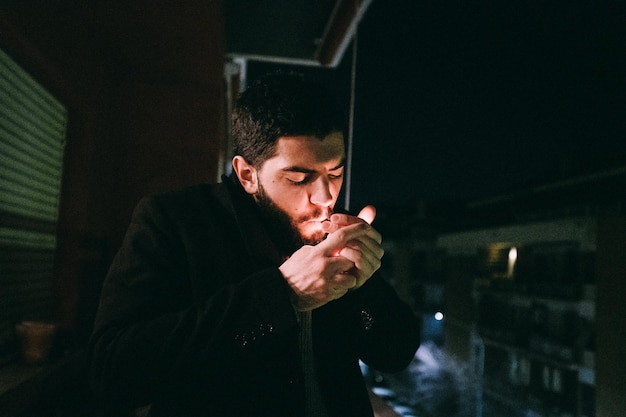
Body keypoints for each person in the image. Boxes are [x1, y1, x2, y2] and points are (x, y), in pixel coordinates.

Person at [89, 72, 421, 417]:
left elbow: (396, 354)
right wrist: (283, 293)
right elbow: (112, 373)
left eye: (334, 173)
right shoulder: (177, 222)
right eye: (299, 178)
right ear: (248, 175)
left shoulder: (338, 233)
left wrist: (362, 287)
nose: (325, 198)